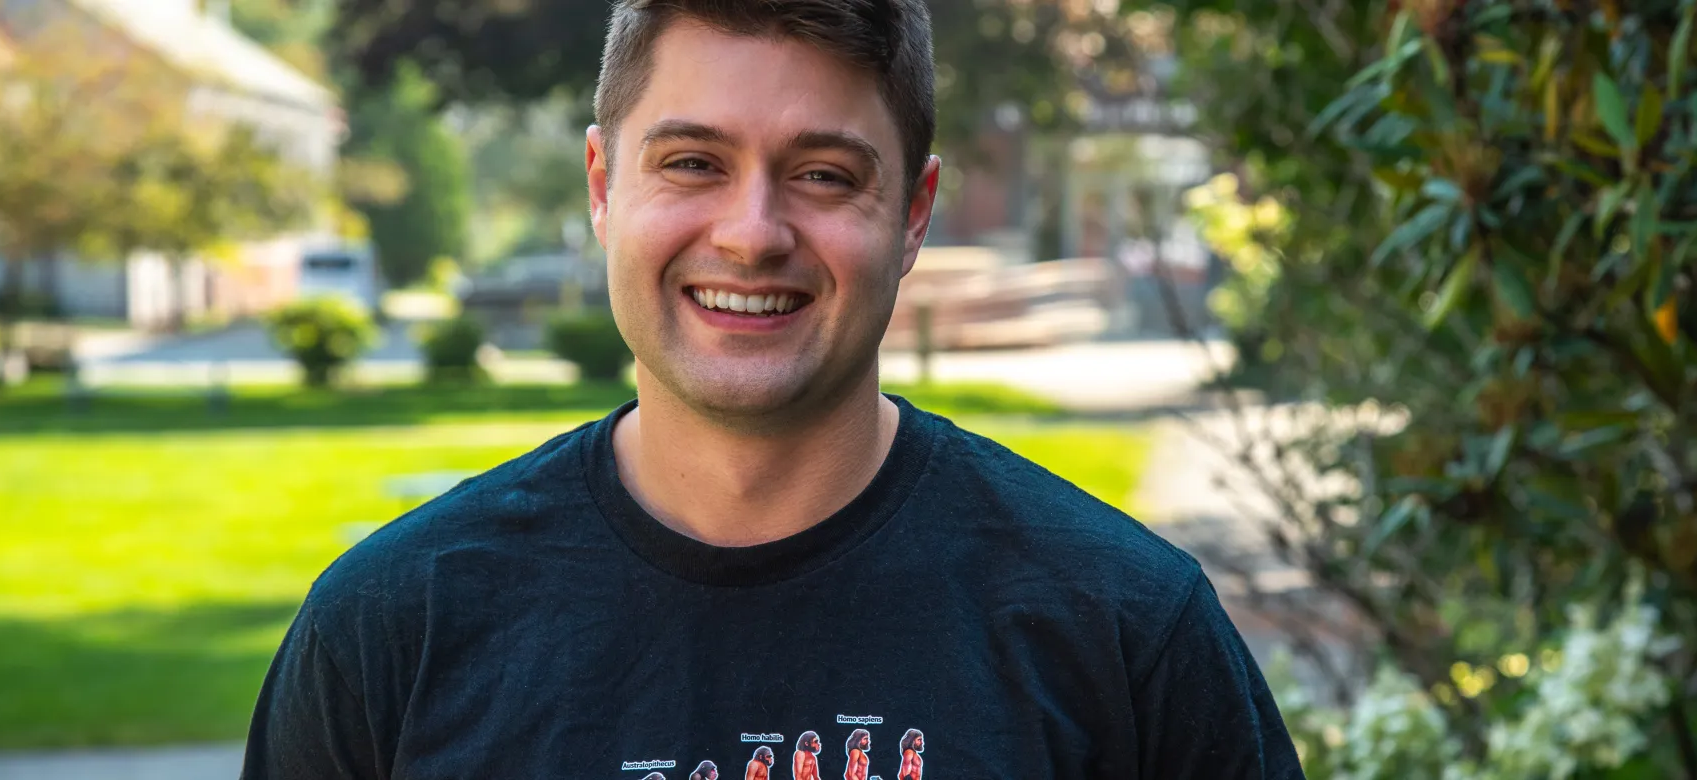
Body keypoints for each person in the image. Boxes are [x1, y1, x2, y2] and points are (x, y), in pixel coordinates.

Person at [239, 1, 1303, 778]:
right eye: (693, 163)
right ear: (605, 187)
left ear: (914, 212)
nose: (751, 234)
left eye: (824, 174)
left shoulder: (1121, 632)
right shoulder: (391, 630)